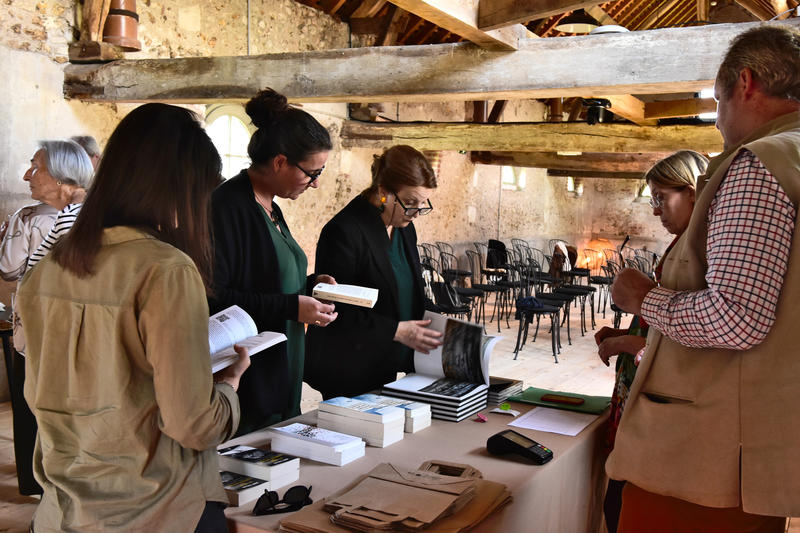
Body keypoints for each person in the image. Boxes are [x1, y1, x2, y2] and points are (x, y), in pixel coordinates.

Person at [17, 103, 250, 532]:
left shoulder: (50, 264)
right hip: (154, 509)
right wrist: (228, 388)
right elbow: (193, 424)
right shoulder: (166, 269)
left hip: (61, 508)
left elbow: (43, 382)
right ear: (182, 191)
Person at [608, 25, 800, 532]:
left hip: (706, 451)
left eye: (717, 102)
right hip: (763, 435)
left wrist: (644, 299)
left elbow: (736, 317)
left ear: (746, 83)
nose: (718, 121)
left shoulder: (761, 163)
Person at [210, 88, 337, 432]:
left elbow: (266, 278)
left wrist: (312, 286)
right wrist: (292, 307)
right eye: (312, 173)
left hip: (283, 367)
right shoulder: (228, 207)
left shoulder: (271, 205)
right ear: (280, 162)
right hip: (248, 377)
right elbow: (216, 297)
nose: (315, 184)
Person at [594, 150, 707, 533]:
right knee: (617, 499)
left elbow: (695, 340)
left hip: (667, 408)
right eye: (652, 199)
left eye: (661, 197)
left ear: (691, 192)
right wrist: (627, 334)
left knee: (623, 503)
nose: (656, 210)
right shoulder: (684, 243)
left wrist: (629, 345)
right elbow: (666, 321)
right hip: (641, 390)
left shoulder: (701, 250)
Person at [305, 145, 442, 399]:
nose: (416, 213)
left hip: (387, 360)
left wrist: (444, 326)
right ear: (383, 193)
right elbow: (336, 310)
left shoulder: (404, 228)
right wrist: (397, 331)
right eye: (410, 202)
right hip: (348, 366)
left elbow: (408, 289)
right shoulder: (344, 231)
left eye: (423, 203)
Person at [0, 139, 92, 496]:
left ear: (60, 177)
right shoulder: (69, 217)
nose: (27, 175)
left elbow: (71, 294)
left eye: (35, 167)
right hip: (44, 344)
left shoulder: (75, 222)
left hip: (56, 349)